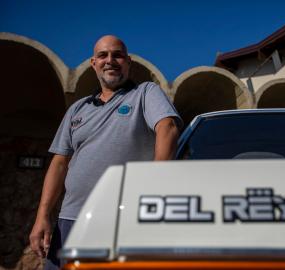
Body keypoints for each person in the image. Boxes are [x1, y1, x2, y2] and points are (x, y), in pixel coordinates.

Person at [29, 35, 182, 269]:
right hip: (69, 221)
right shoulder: (77, 109)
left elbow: (167, 128)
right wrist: (42, 215)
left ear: (128, 62)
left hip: (120, 221)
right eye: (103, 55)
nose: (110, 60)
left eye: (117, 55)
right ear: (94, 63)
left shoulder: (145, 92)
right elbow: (59, 163)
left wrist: (155, 188)